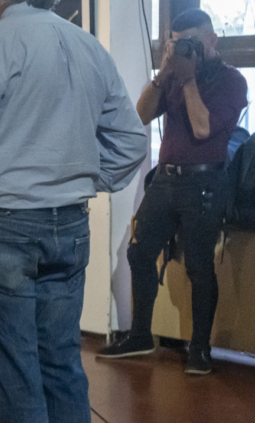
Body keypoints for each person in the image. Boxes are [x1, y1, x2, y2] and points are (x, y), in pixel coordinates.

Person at [0, 0, 147, 420]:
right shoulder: (88, 45)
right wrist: (77, 178)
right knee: (62, 366)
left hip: (1, 228)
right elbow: (131, 142)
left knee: (14, 375)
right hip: (70, 225)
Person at [99, 9, 249, 375]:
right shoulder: (173, 77)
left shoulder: (232, 81)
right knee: (138, 253)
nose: (185, 50)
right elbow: (141, 115)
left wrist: (188, 79)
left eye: (192, 42)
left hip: (205, 184)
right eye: (178, 43)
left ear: (211, 40)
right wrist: (164, 74)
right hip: (165, 180)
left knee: (199, 267)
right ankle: (140, 335)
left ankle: (200, 349)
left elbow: (202, 128)